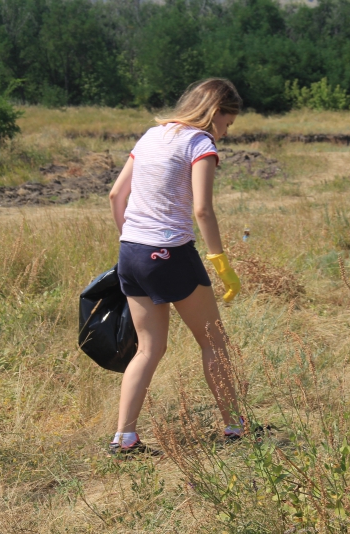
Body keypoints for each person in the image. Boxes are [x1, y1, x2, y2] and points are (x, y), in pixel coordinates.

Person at [107, 78, 244, 455]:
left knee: (148, 348)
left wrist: (134, 239)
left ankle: (125, 438)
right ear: (215, 113)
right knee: (214, 341)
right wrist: (220, 263)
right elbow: (202, 209)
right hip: (170, 253)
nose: (225, 133)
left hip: (131, 252)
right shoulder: (200, 143)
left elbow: (117, 195)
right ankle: (235, 425)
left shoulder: (151, 135)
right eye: (227, 124)